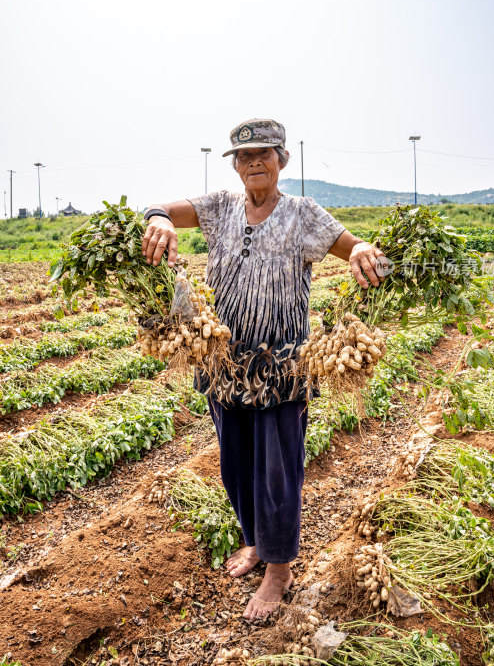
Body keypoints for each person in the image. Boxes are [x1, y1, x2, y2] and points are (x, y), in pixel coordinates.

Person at [142, 118, 385, 620]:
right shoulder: (218, 208)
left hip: (282, 367)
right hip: (224, 361)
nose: (254, 161)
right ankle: (255, 542)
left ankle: (278, 570)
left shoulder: (302, 214)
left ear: (282, 160)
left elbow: (350, 244)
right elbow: (163, 207)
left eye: (265, 153)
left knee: (277, 471)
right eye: (244, 155)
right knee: (235, 464)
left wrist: (361, 248)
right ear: (234, 164)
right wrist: (160, 218)